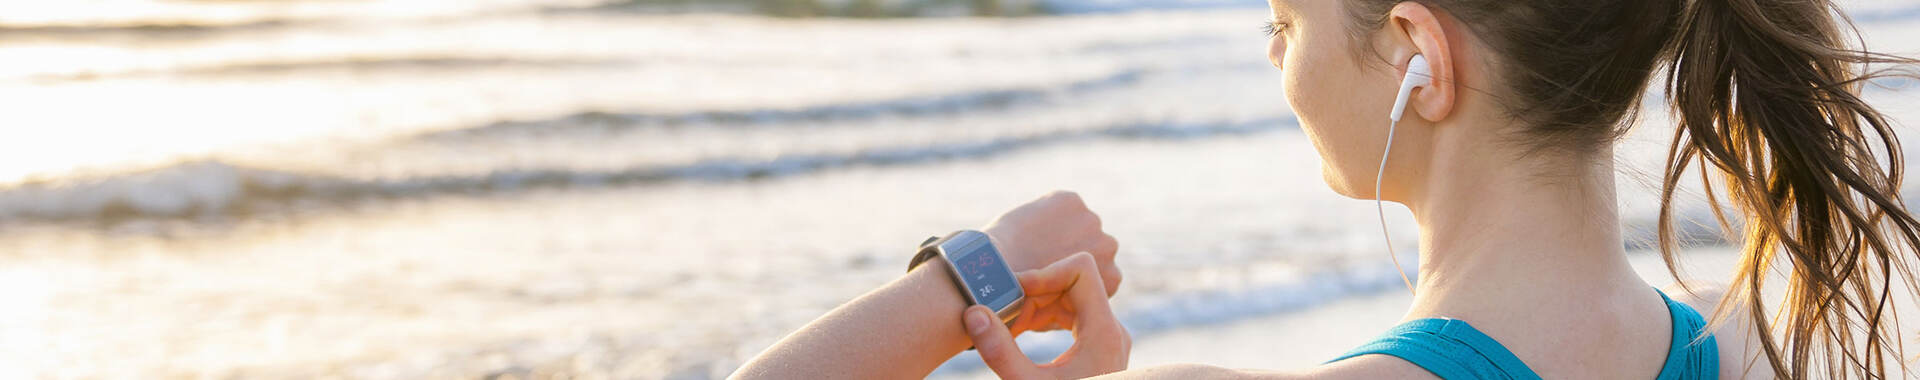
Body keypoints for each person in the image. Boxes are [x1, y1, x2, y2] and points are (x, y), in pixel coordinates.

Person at [734, 0, 1920, 378]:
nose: (1275, 55)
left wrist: (969, 274)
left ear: (1419, 53)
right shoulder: (1761, 339)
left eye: (1285, 19)